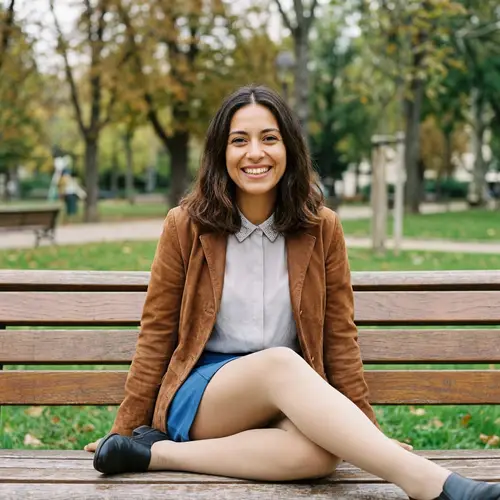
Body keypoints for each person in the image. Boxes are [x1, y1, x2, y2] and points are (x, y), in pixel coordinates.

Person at [84, 85, 500, 500]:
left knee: (319, 456)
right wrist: (123, 426)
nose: (255, 153)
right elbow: (156, 331)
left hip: (288, 394)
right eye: (239, 141)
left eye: (269, 138)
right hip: (206, 392)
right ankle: (427, 483)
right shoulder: (186, 225)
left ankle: (157, 455)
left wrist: (367, 434)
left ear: (289, 149)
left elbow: (339, 335)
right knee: (280, 363)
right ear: (220, 153)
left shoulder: (321, 228)